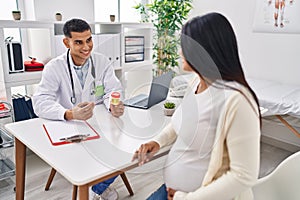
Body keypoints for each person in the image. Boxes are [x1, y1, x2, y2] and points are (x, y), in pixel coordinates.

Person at [132, 12, 261, 200]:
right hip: (171, 191)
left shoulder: (237, 101)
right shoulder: (196, 82)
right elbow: (180, 124)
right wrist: (158, 141)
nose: (180, 52)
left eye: (185, 46)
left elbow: (243, 176)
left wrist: (185, 198)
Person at [32, 18, 124, 200]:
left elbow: (113, 90)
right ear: (66, 42)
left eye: (89, 40)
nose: (86, 47)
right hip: (69, 128)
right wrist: (68, 113)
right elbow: (40, 102)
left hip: (99, 125)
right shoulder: (54, 67)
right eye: (78, 42)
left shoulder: (102, 61)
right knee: (99, 154)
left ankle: (95, 188)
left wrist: (113, 105)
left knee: (123, 150)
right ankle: (92, 183)